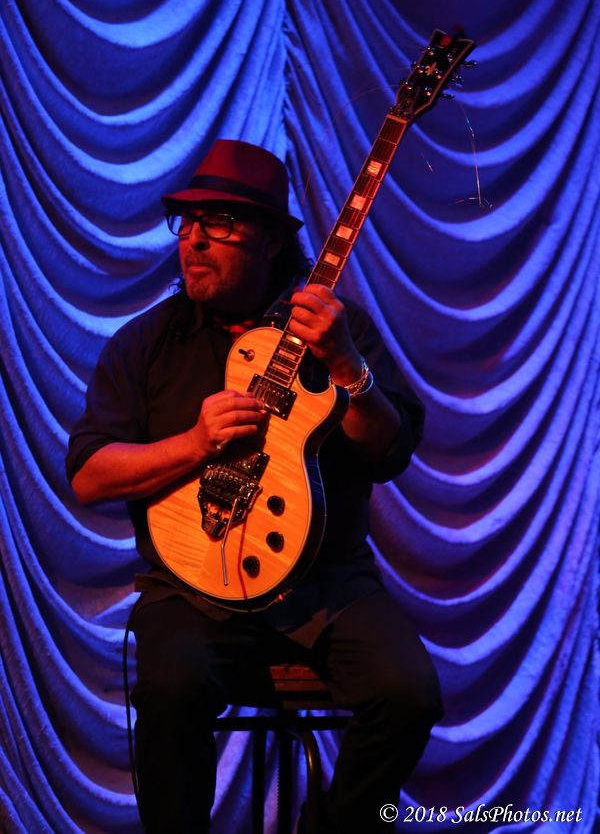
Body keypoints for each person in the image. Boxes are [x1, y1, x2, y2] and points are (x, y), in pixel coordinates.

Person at [67, 139, 442, 833]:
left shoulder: (338, 332)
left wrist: (348, 368)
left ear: (271, 239)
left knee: (409, 695)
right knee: (168, 688)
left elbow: (389, 451)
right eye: (188, 222)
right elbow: (90, 476)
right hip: (192, 592)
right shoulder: (148, 344)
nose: (195, 241)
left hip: (327, 587)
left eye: (221, 223)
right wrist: (193, 442)